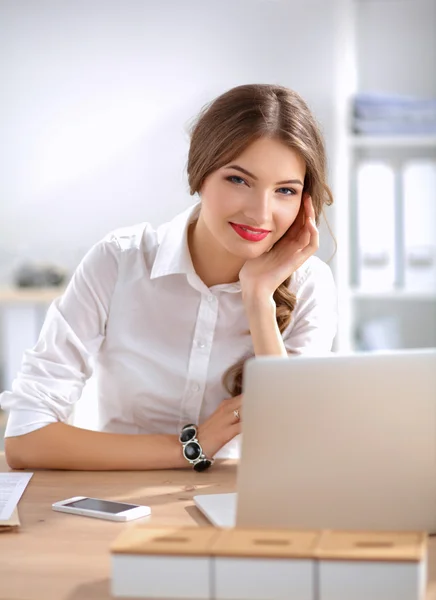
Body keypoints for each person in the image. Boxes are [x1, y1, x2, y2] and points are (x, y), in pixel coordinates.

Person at [1, 83, 337, 472]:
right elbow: (26, 437)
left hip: (242, 503)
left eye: (285, 190)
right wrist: (191, 447)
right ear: (200, 173)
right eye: (239, 180)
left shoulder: (309, 284)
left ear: (304, 202)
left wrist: (259, 299)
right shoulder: (119, 262)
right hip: (117, 501)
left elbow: (297, 451)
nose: (261, 214)